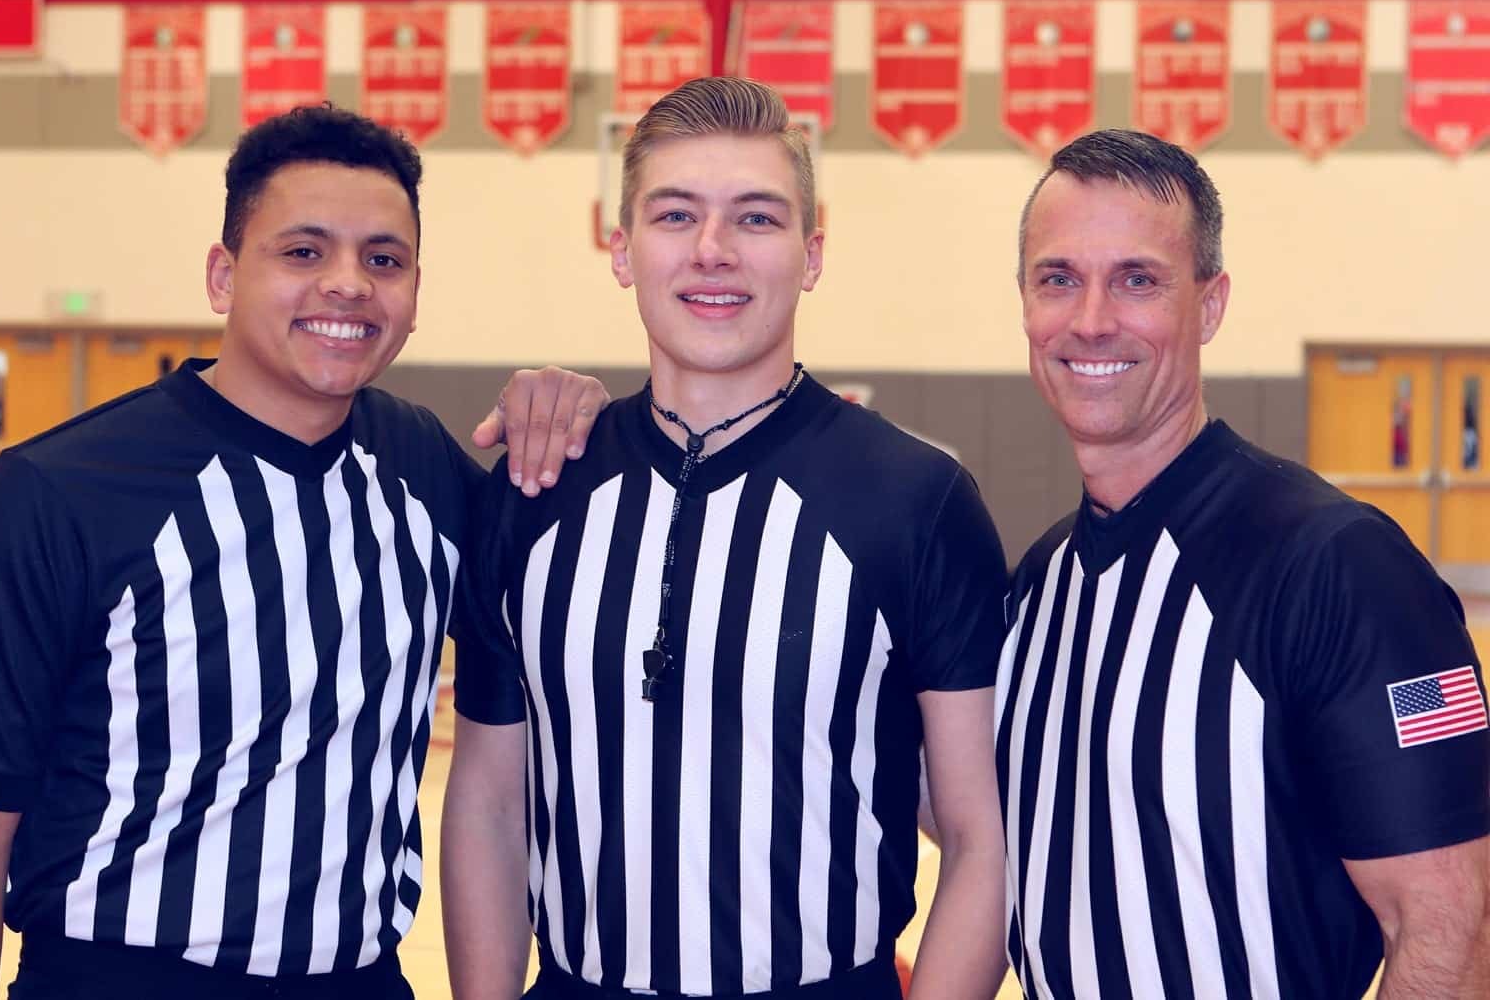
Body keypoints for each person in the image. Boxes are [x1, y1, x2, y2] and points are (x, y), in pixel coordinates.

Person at [0, 105, 608, 1000]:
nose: (348, 284)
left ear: (416, 292)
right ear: (222, 274)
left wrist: (563, 398)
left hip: (361, 979)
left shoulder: (427, 470)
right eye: (304, 251)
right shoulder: (61, 490)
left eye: (383, 259)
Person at [441, 76, 1010, 1000]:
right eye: (675, 216)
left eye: (755, 218)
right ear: (620, 249)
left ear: (812, 253)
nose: (712, 252)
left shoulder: (917, 499)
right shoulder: (534, 487)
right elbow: (490, 804)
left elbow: (982, 836)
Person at [996, 129, 1490, 998]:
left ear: (1211, 305)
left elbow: (1449, 924)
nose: (1091, 318)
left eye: (1138, 279)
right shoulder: (1039, 589)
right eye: (1059, 278)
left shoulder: (1342, 567)